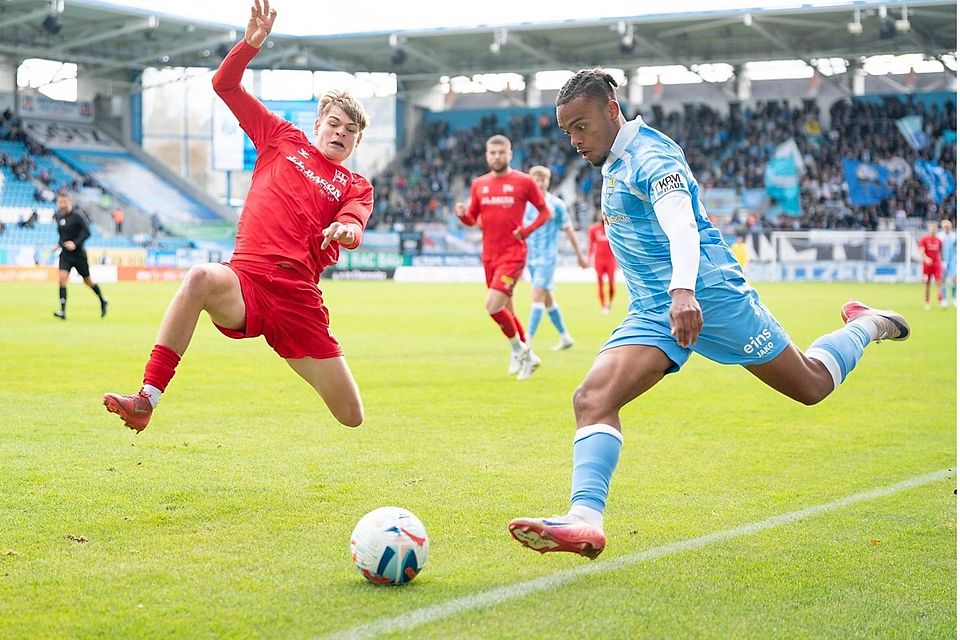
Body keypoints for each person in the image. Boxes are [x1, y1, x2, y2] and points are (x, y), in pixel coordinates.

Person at [508, 69, 910, 560]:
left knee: (811, 386)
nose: (573, 140)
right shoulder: (613, 159)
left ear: (611, 110)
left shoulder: (652, 157)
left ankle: (866, 324)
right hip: (656, 310)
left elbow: (682, 225)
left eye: (581, 126)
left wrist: (683, 291)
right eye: (566, 130)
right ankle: (584, 521)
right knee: (592, 398)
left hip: (709, 296)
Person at [103, 0, 373, 433]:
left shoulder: (355, 184)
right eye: (335, 124)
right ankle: (146, 399)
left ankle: (292, 347)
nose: (340, 133)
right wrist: (248, 46)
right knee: (199, 278)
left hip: (298, 298)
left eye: (350, 131)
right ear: (318, 123)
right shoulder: (280, 137)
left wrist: (346, 230)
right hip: (246, 279)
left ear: (357, 141)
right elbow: (225, 85)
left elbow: (355, 224)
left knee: (351, 416)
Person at [454, 135, 552, 381]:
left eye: (501, 152)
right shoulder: (479, 184)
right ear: (487, 155)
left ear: (510, 154)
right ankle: (527, 356)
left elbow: (545, 212)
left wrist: (526, 231)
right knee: (507, 309)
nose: (497, 157)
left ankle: (519, 350)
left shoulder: (524, 182)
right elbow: (472, 220)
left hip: (513, 254)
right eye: (492, 153)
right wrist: (462, 215)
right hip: (489, 255)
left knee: (492, 306)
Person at [523, 165, 588, 352]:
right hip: (531, 259)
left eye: (542, 179)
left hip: (547, 259)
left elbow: (569, 230)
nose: (539, 183)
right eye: (535, 179)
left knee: (536, 296)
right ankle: (565, 336)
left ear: (548, 182)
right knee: (547, 299)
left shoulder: (556, 205)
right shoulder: (525, 204)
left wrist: (580, 256)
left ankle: (527, 341)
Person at [53, 191, 108, 320]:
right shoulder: (58, 216)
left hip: (78, 255)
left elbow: (87, 232)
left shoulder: (77, 216)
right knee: (62, 279)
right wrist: (59, 244)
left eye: (64, 201)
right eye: (60, 202)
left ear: (69, 201)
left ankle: (102, 300)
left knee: (87, 281)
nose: (62, 204)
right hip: (65, 254)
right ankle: (63, 311)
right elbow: (63, 235)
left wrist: (75, 243)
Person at [587, 212, 616, 314]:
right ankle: (603, 306)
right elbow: (591, 243)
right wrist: (589, 258)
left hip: (610, 260)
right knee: (600, 283)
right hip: (599, 260)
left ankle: (610, 303)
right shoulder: (593, 229)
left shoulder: (612, 228)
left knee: (611, 283)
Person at [917, 220, 944, 310]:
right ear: (929, 229)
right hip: (927, 265)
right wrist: (926, 258)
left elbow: (940, 252)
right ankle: (927, 302)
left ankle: (940, 301)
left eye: (934, 228)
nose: (932, 229)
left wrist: (942, 262)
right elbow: (921, 251)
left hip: (936, 264)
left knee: (939, 283)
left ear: (936, 229)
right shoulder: (924, 239)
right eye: (931, 228)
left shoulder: (938, 240)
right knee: (927, 284)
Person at [938, 219, 956, 307]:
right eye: (945, 227)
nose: (946, 228)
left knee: (955, 280)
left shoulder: (954, 236)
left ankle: (953, 298)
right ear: (942, 227)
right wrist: (941, 261)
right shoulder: (940, 237)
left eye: (948, 226)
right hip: (942, 261)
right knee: (942, 281)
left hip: (953, 261)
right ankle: (944, 299)